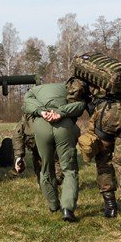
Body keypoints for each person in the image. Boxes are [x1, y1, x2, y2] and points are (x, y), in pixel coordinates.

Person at [67, 77, 121, 229]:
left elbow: (73, 95)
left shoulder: (86, 74)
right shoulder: (117, 73)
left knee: (104, 160)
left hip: (105, 114)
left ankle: (110, 206)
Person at [22, 83, 86, 222]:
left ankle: (53, 206)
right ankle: (67, 209)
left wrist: (42, 112)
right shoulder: (68, 88)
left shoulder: (33, 91)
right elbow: (80, 105)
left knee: (45, 168)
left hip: (41, 126)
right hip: (64, 125)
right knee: (69, 170)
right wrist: (60, 113)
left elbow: (26, 104)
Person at [11, 113, 47, 180]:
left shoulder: (29, 111)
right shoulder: (28, 114)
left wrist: (18, 157)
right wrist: (19, 157)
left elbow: (18, 134)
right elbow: (18, 134)